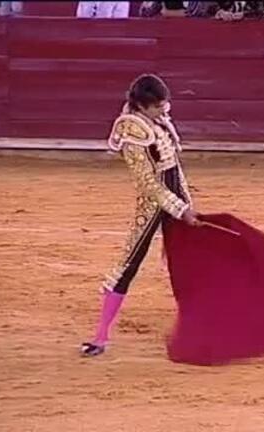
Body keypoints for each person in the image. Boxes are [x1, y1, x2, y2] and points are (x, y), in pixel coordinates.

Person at [81, 74, 202, 357]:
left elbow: (174, 168)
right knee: (128, 264)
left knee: (193, 260)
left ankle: (201, 326)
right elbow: (148, 184)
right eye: (158, 105)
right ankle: (100, 337)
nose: (165, 109)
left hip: (174, 198)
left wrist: (186, 201)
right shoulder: (131, 131)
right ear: (143, 105)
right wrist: (180, 209)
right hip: (152, 205)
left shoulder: (157, 119)